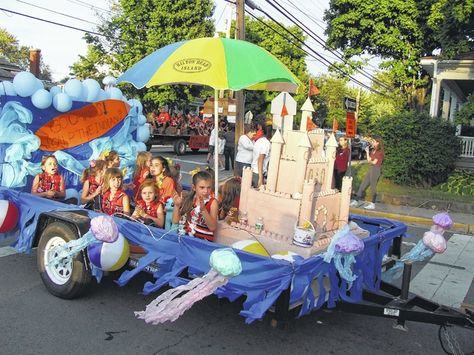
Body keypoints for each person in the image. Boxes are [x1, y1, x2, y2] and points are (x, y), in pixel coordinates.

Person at [172, 170, 218, 241]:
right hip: (186, 238)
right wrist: (177, 206)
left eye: (208, 187)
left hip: (203, 242)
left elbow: (212, 227)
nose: (206, 191)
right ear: (194, 187)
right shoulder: (190, 199)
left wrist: (203, 210)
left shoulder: (213, 202)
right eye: (202, 187)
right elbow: (175, 221)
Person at [350, 136, 385, 210]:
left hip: (376, 170)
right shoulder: (373, 150)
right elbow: (369, 160)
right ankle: (356, 201)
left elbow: (374, 162)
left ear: (378, 143)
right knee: (363, 184)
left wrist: (368, 156)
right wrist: (367, 152)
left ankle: (373, 203)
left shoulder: (380, 152)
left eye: (374, 141)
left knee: (373, 187)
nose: (372, 142)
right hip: (371, 169)